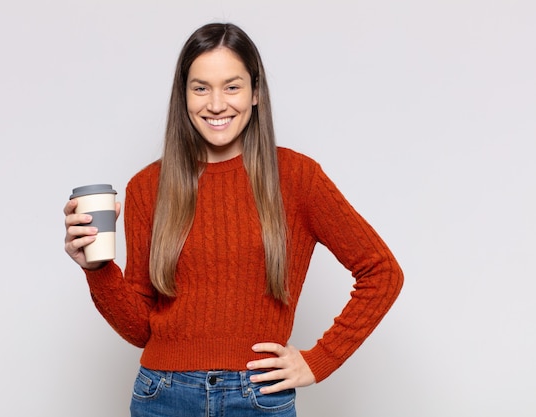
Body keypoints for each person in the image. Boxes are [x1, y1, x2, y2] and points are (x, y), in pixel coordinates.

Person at [64, 22, 403, 417]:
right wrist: (97, 269)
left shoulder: (297, 177)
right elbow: (141, 330)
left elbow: (382, 272)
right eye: (201, 87)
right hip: (163, 395)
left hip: (258, 396)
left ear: (255, 92)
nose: (216, 104)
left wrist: (319, 359)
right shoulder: (146, 186)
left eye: (232, 86)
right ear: (184, 95)